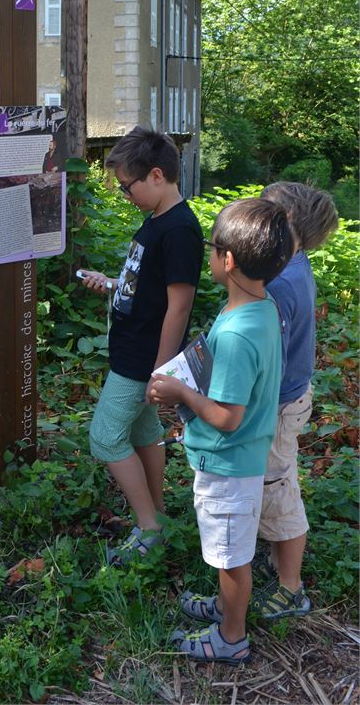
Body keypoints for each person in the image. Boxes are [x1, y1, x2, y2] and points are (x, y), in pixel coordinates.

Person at [150, 198, 293, 664]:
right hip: (243, 458)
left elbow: (227, 417)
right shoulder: (263, 307)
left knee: (231, 558)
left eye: (212, 249)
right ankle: (225, 607)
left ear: (226, 261)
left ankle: (231, 637)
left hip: (228, 465)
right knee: (229, 550)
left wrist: (181, 393)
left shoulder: (236, 333)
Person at [78, 127, 203, 563]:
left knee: (106, 438)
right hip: (135, 348)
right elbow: (148, 286)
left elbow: (180, 305)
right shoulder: (156, 220)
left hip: (143, 359)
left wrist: (162, 368)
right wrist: (114, 284)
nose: (124, 194)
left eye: (127, 186)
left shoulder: (180, 230)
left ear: (155, 175)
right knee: (145, 431)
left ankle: (148, 528)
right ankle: (160, 517)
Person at [252, 182, 338, 618]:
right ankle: (276, 558)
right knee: (276, 479)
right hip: (288, 398)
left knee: (278, 488)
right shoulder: (292, 267)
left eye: (264, 212)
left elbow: (272, 361)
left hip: (278, 405)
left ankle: (290, 586)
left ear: (286, 223)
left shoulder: (282, 283)